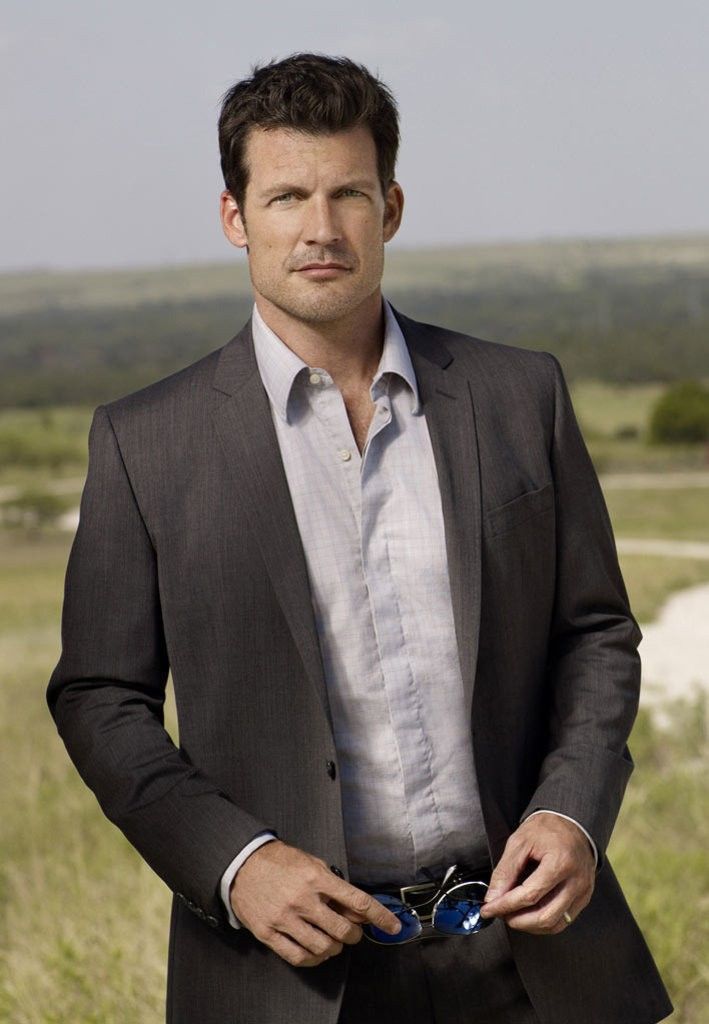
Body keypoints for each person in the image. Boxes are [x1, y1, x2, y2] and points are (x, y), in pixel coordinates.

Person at [48, 53, 672, 1024]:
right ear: (235, 218)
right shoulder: (144, 444)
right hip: (288, 973)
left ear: (391, 208)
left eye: (347, 193)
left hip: (529, 957)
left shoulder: (520, 396)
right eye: (286, 196)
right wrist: (235, 863)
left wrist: (570, 813)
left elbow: (594, 632)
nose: (320, 228)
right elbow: (100, 696)